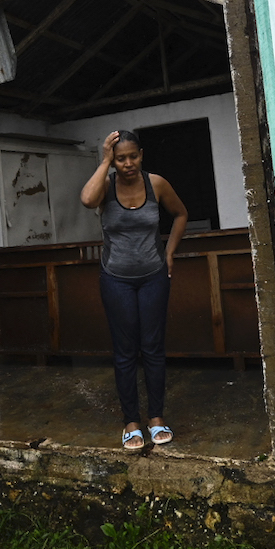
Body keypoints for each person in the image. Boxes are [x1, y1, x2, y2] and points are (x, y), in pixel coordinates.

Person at [80, 129, 188, 450]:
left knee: (153, 348)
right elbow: (87, 200)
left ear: (142, 155)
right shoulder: (105, 187)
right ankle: (131, 422)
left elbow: (181, 214)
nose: (128, 164)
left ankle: (156, 418)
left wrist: (168, 253)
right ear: (113, 160)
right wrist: (103, 161)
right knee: (125, 352)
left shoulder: (157, 184)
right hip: (115, 279)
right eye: (120, 158)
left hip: (154, 276)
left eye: (133, 156)